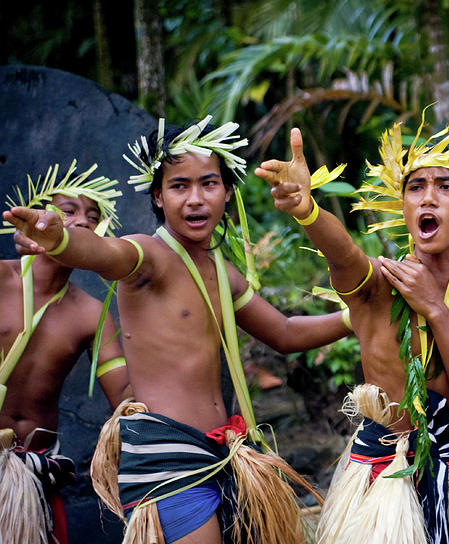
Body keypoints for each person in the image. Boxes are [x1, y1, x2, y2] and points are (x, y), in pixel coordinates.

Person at [4, 117, 351, 544]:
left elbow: (284, 331)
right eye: (179, 186)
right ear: (158, 196)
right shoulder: (147, 257)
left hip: (221, 454)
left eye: (208, 184)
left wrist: (355, 318)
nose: (195, 199)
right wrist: (62, 241)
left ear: (226, 191)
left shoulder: (224, 274)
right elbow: (103, 251)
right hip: (165, 455)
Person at [258, 111, 449, 544]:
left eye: (445, 186)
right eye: (416, 187)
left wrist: (436, 312)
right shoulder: (377, 288)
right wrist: (308, 211)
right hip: (382, 478)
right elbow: (344, 254)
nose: (427, 198)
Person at [0, 160, 130, 544]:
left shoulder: (93, 313)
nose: (82, 222)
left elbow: (124, 396)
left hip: (35, 475)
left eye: (93, 216)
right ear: (39, 216)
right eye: (68, 210)